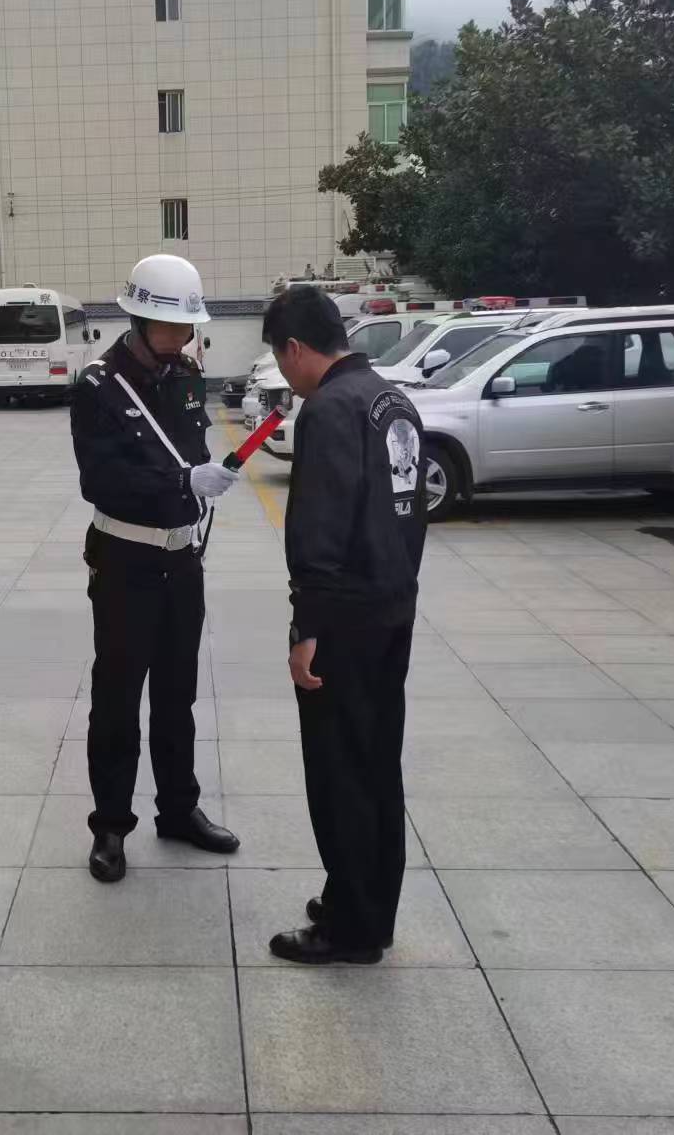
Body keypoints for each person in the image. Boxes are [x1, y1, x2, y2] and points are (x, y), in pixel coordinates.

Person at [262, 284, 429, 964]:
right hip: (392, 607)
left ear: (295, 347)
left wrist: (306, 628)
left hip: (345, 620)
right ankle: (366, 902)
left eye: (282, 360)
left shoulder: (329, 409)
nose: (286, 376)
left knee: (340, 773)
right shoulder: (392, 399)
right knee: (376, 762)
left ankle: (352, 928)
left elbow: (319, 529)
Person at [70, 254, 242, 882]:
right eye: (170, 326)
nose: (181, 337)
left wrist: (203, 477)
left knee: (177, 693)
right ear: (138, 320)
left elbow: (190, 451)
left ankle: (179, 809)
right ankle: (111, 826)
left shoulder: (187, 377)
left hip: (181, 557)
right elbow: (100, 479)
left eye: (186, 326)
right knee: (117, 698)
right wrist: (182, 479)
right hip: (124, 559)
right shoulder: (98, 386)